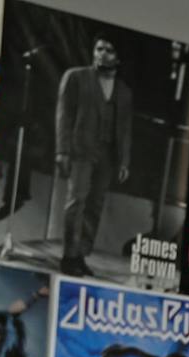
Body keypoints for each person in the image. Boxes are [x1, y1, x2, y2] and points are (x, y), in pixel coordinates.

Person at [54, 33, 134, 276]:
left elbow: (125, 129)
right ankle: (68, 256)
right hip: (81, 150)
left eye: (108, 50)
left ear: (118, 58)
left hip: (108, 155)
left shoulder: (124, 91)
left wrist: (124, 161)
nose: (101, 54)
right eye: (98, 48)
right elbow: (63, 115)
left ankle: (80, 255)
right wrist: (62, 150)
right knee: (76, 202)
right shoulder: (76, 76)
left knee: (95, 205)